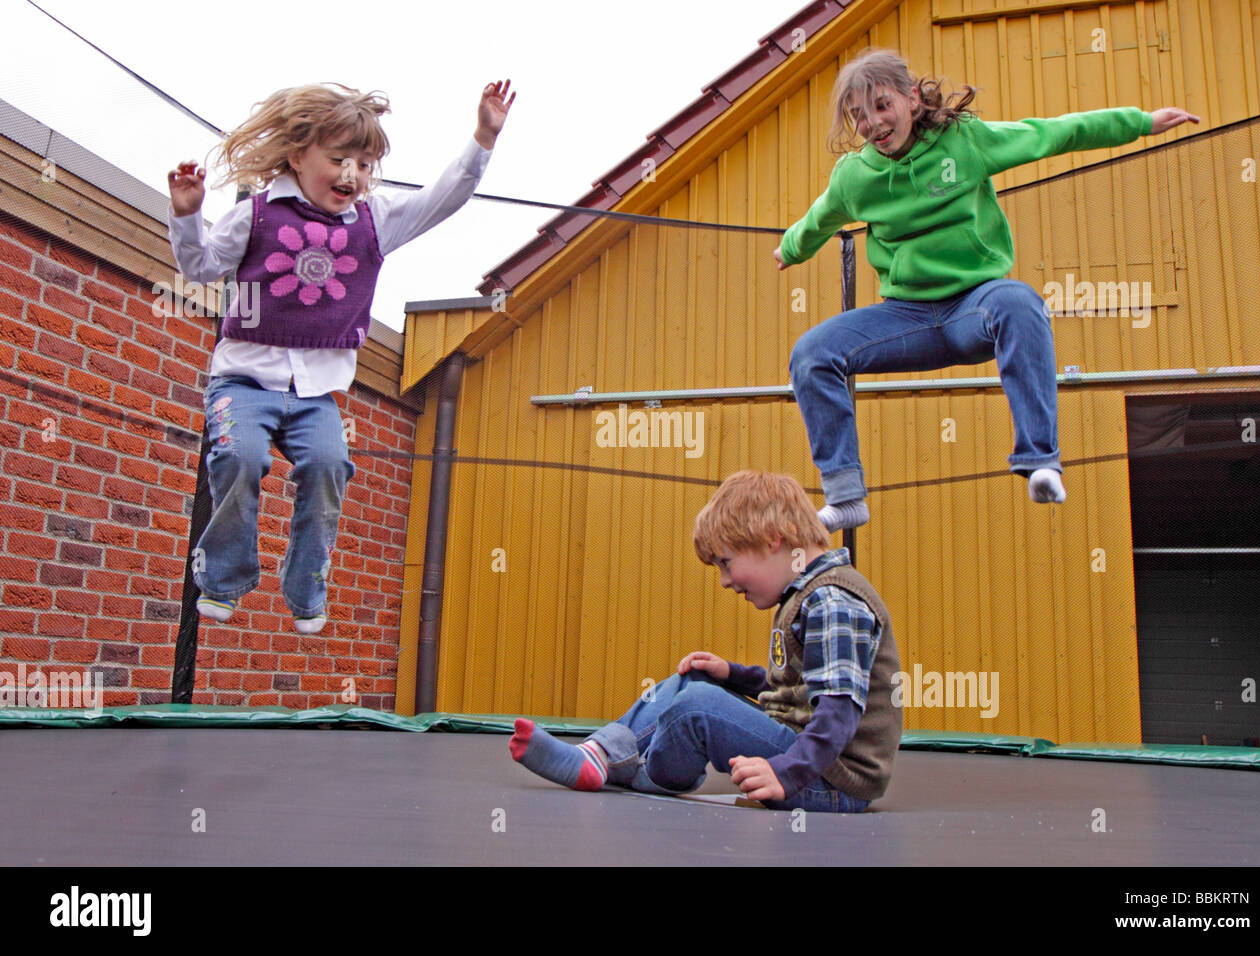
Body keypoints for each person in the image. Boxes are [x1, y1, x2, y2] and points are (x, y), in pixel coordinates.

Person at [774, 49, 1199, 531]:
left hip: (975, 308)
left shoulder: (965, 142)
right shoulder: (856, 176)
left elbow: (1053, 134)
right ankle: (846, 495)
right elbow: (822, 215)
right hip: (906, 319)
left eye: (881, 106)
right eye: (858, 116)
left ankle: (1040, 460)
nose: (872, 123)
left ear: (911, 98)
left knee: (1019, 301)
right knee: (813, 352)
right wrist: (791, 248)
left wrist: (1141, 122)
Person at [167, 80, 515, 632]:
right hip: (243, 384)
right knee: (240, 459)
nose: (352, 175)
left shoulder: (375, 221)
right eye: (338, 160)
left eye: (364, 162)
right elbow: (200, 268)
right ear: (297, 156)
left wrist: (482, 138)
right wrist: (187, 217)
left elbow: (443, 198)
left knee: (330, 468)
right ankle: (224, 580)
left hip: (316, 397)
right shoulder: (256, 215)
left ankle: (307, 589)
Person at [509, 470, 902, 812]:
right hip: (805, 757)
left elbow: (838, 710)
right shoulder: (805, 594)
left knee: (697, 706)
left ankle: (642, 774)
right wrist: (731, 673)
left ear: (772, 539)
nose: (725, 582)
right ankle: (597, 753)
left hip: (828, 779)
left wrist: (786, 772)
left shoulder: (832, 600)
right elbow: (798, 691)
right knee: (692, 682)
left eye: (726, 564)